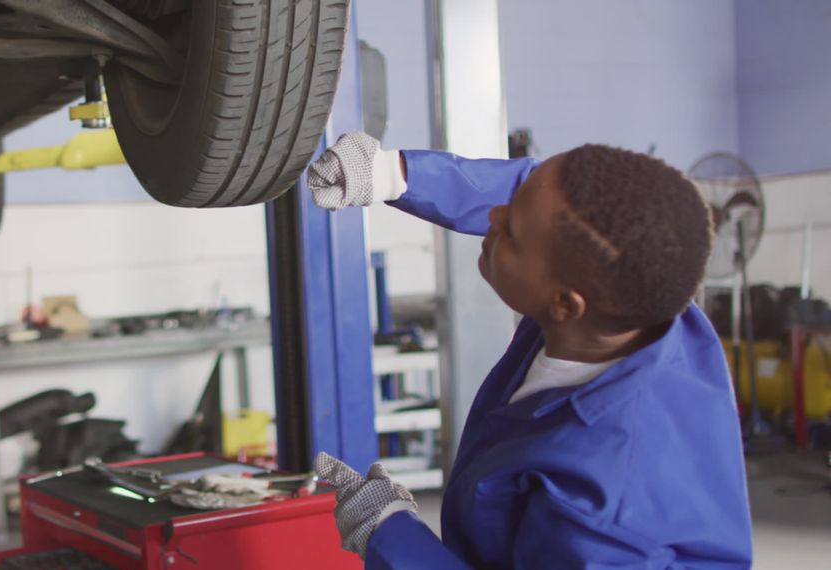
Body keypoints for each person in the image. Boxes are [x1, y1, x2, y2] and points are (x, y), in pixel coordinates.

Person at [309, 133, 753, 569]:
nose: (495, 215)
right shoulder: (625, 298)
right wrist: (393, 174)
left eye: (513, 233)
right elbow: (536, 193)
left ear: (565, 303)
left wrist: (388, 531)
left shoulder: (601, 505)